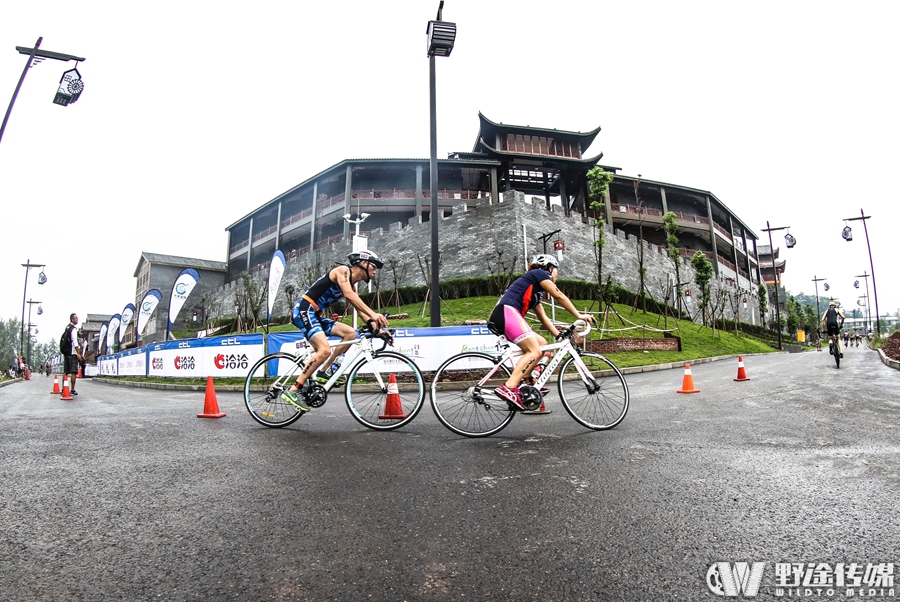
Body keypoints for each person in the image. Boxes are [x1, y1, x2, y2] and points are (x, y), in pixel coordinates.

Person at [280, 251, 389, 412]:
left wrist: (377, 329)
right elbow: (349, 296)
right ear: (363, 263)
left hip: (315, 315)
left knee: (350, 333)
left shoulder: (352, 284)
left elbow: (359, 310)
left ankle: (324, 370)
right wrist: (374, 314)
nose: (374, 271)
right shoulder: (342, 271)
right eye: (373, 266)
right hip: (304, 310)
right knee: (324, 349)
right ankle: (294, 390)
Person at [487, 254, 595, 410]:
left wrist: (559, 335)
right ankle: (509, 387)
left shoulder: (535, 293)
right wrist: (579, 315)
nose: (557, 274)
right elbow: (559, 295)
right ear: (549, 268)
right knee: (534, 351)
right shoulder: (539, 273)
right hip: (507, 312)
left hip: (505, 315)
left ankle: (527, 382)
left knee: (542, 345)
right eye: (556, 270)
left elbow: (544, 318)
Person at [63, 313, 82, 396]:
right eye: (76, 318)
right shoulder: (73, 329)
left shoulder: (67, 328)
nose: (77, 319)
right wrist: (78, 353)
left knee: (66, 372)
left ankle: (64, 388)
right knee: (73, 372)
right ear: (72, 319)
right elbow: (74, 341)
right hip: (72, 353)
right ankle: (72, 389)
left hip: (66, 353)